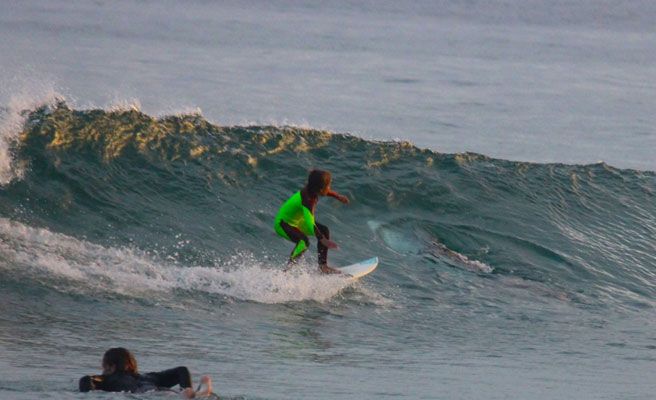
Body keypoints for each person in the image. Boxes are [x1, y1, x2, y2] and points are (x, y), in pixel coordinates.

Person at [274, 169, 349, 273]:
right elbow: (310, 223)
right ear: (320, 188)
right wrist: (322, 239)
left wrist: (338, 196)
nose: (329, 188)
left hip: (297, 222)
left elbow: (326, 192)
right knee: (303, 242)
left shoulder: (312, 190)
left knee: (324, 230)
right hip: (283, 224)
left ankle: (323, 267)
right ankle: (286, 272)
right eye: (328, 185)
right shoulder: (308, 200)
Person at [78, 347, 213, 398]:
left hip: (146, 395)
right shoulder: (150, 376)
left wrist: (90, 393)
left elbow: (85, 379)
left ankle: (188, 396)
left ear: (111, 367)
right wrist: (187, 387)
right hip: (164, 391)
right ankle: (192, 392)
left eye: (104, 367)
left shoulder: (107, 379)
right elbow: (181, 370)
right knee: (184, 395)